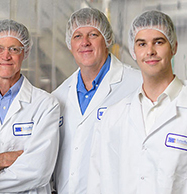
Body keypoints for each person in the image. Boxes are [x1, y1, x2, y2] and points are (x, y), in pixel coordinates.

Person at [87, 10, 187, 194]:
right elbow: (97, 182)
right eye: (142, 44)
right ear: (134, 51)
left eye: (158, 42)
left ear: (174, 47)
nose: (150, 51)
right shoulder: (114, 116)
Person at [51, 8, 142, 194]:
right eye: (77, 36)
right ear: (70, 44)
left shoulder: (137, 84)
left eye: (93, 34)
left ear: (107, 39)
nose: (85, 42)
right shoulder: (58, 96)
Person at [0, 19, 60, 193]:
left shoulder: (46, 105)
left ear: (25, 53)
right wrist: (1, 160)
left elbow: (39, 170)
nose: (5, 56)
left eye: (14, 49)